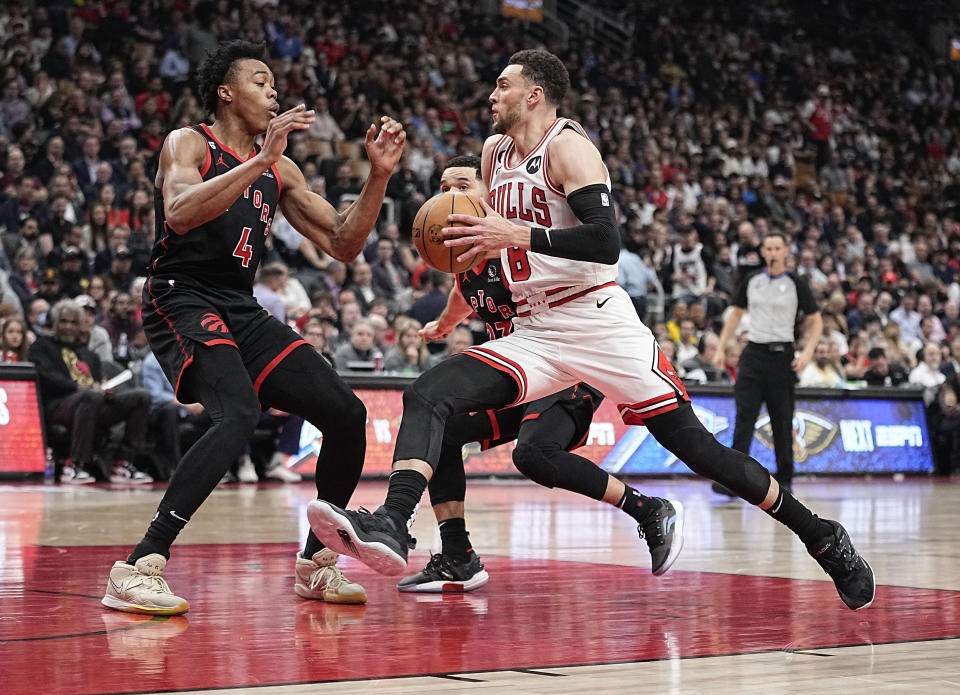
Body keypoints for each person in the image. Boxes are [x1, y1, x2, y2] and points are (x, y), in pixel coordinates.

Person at [307, 50, 874, 611]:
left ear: (534, 94)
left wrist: (518, 237)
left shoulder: (569, 148)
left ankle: (821, 535)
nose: (491, 95)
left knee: (698, 449)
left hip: (598, 318)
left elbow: (606, 242)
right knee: (429, 393)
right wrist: (462, 293)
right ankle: (392, 522)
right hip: (536, 326)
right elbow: (491, 244)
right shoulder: (492, 153)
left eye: (502, 86)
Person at [100, 40, 406, 616]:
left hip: (239, 306)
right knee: (237, 413)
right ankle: (138, 566)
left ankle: (318, 564)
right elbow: (180, 213)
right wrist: (259, 161)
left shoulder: (281, 167)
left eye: (274, 83)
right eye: (261, 81)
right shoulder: (189, 142)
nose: (274, 91)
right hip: (180, 294)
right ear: (226, 91)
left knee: (345, 413)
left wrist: (378, 177)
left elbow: (343, 242)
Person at [397, 155, 682, 592]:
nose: (450, 195)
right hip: (517, 374)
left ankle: (648, 509)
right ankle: (458, 556)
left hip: (567, 366)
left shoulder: (516, 242)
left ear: (490, 194)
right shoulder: (465, 256)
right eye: (443, 186)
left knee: (534, 455)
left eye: (462, 185)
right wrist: (445, 324)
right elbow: (462, 291)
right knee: (445, 429)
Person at [711, 231, 823, 493]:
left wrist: (807, 353)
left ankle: (785, 478)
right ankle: (734, 479)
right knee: (744, 417)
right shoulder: (752, 280)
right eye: (768, 249)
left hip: (782, 355)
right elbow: (736, 315)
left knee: (782, 420)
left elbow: (815, 319)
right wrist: (720, 348)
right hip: (753, 354)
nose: (772, 253)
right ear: (762, 252)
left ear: (786, 251)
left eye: (777, 248)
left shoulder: (796, 282)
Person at [29, 298, 153, 485]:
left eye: (73, 322)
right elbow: (47, 376)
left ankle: (122, 463)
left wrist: (105, 389)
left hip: (91, 402)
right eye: (64, 321)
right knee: (90, 396)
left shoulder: (90, 355)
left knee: (141, 397)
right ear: (55, 322)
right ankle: (75, 465)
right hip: (58, 405)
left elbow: (95, 383)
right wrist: (81, 388)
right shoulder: (42, 346)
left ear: (80, 326)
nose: (68, 327)